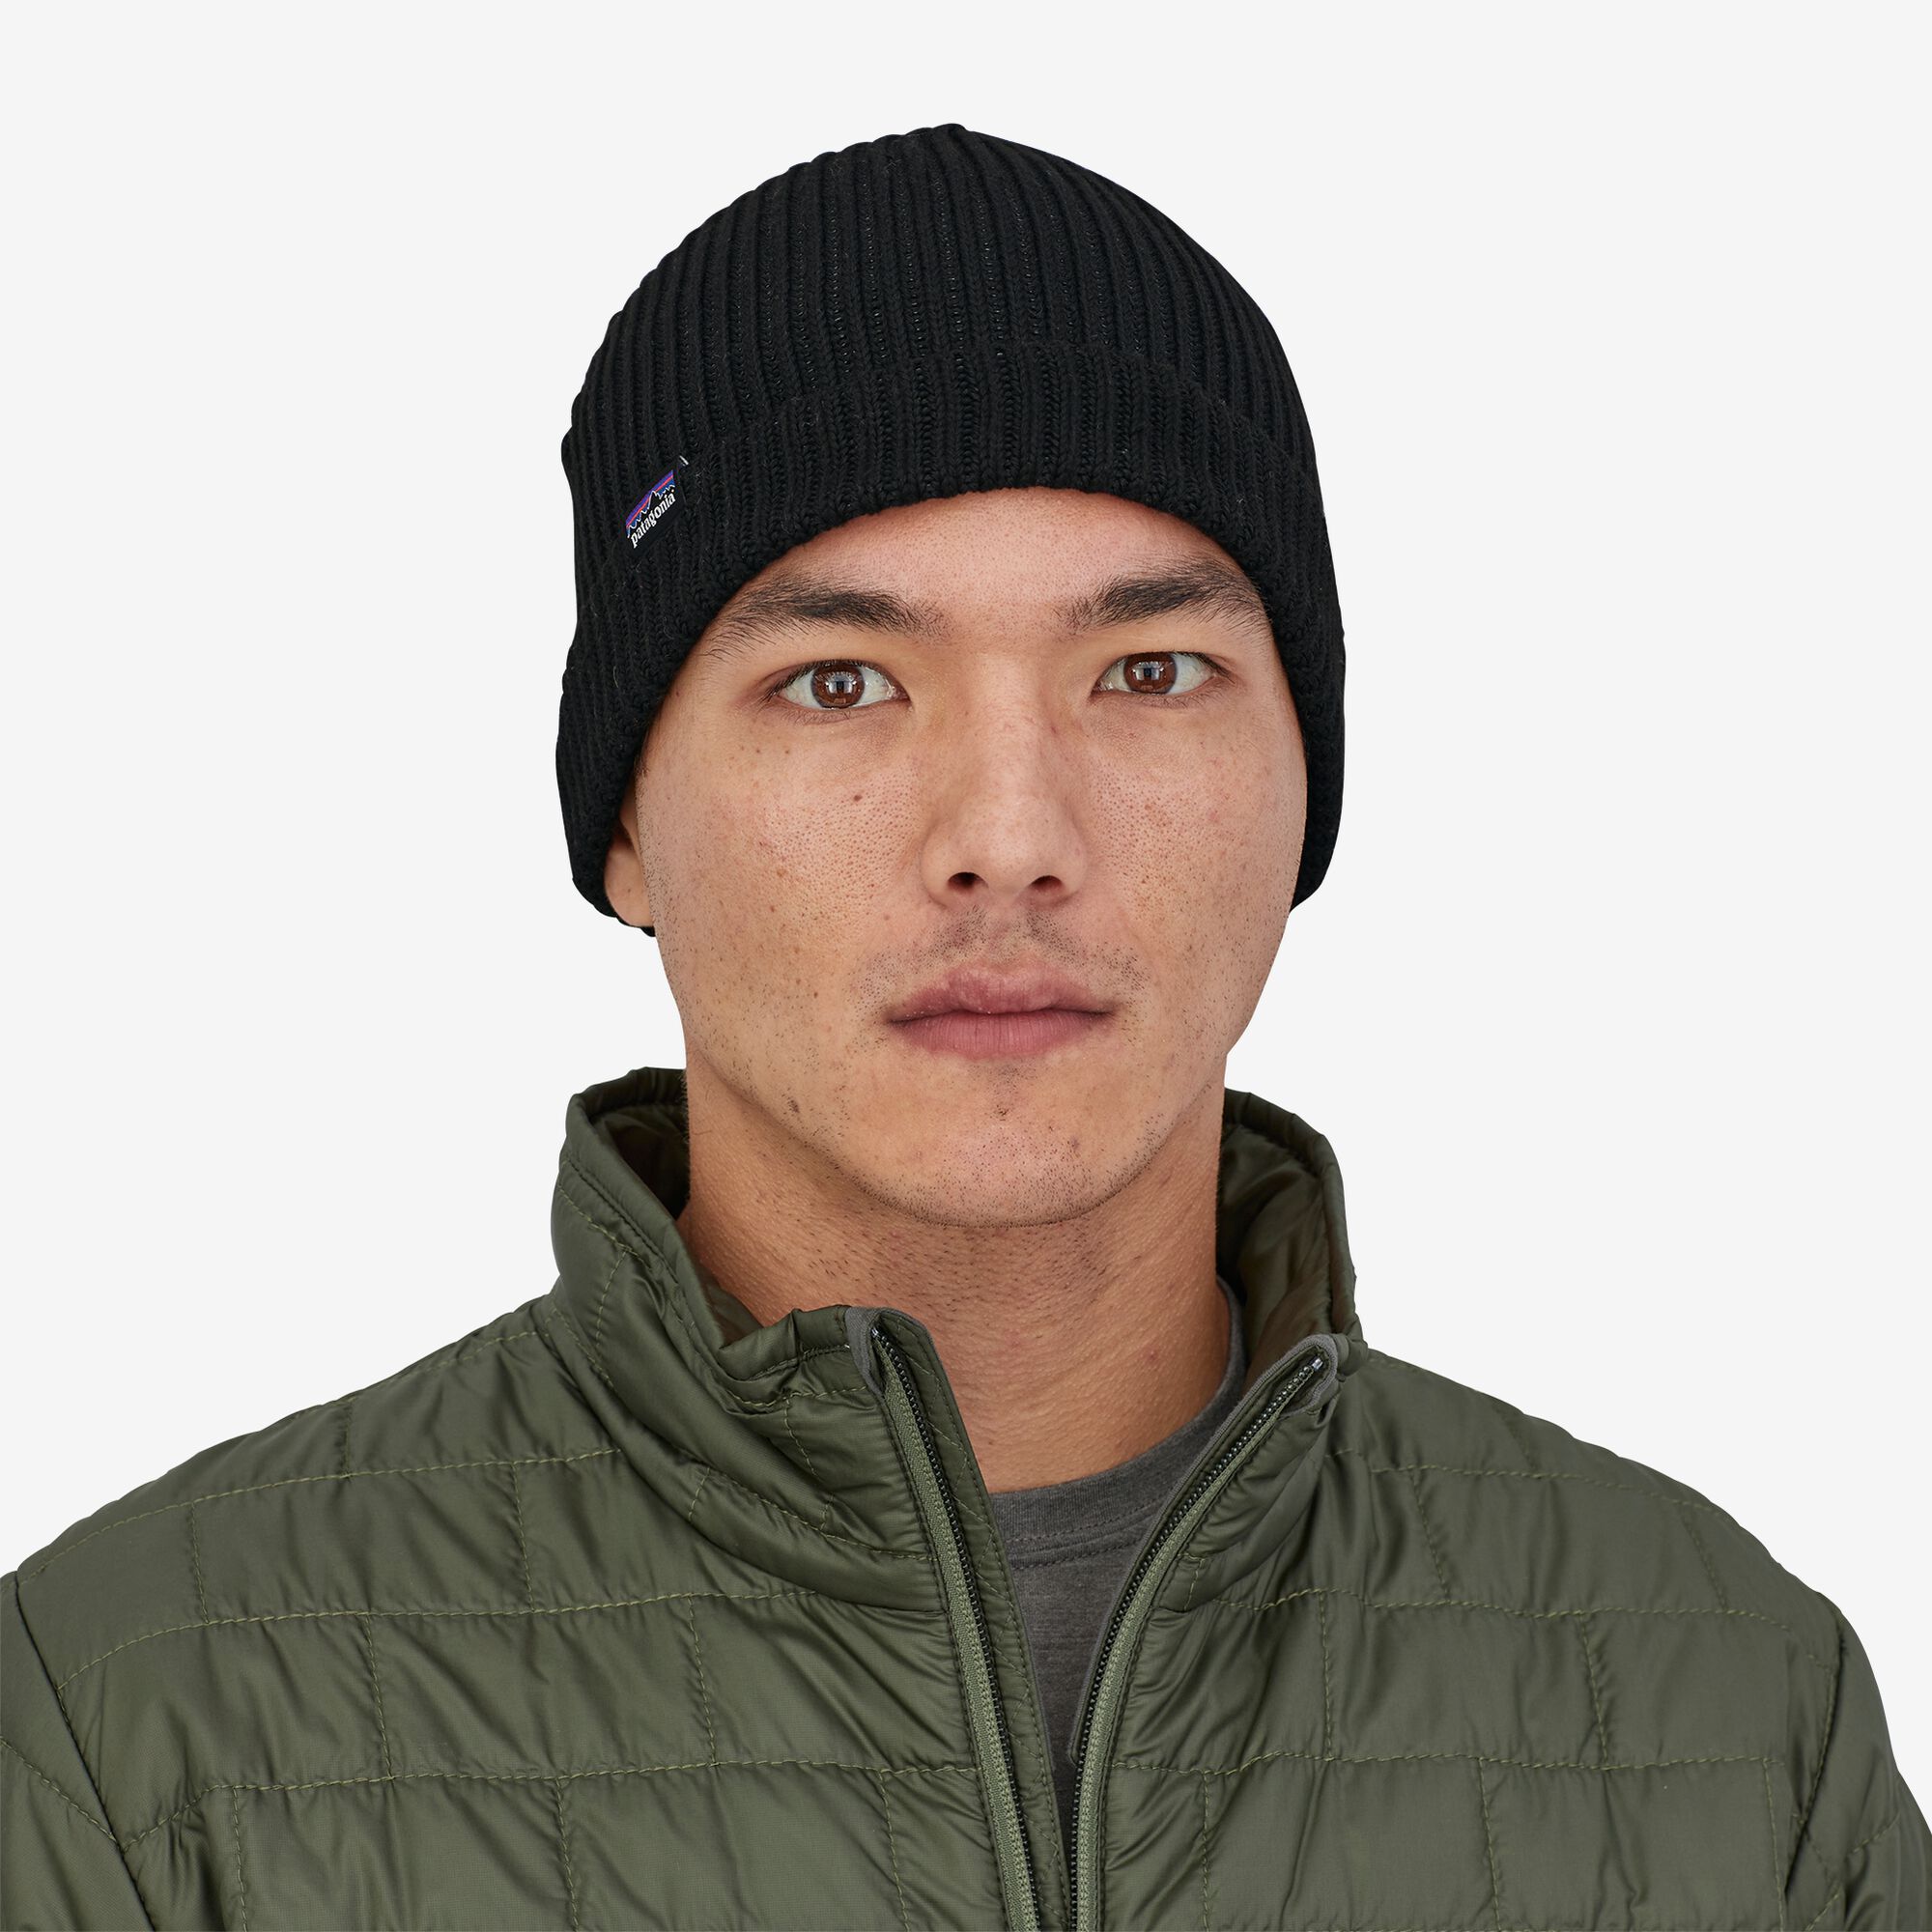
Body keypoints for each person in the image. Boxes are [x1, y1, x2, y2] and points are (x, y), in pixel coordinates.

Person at [4, 123, 1924, 1932]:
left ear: (1304, 796)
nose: (1008, 835)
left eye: (1149, 671)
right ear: (624, 826)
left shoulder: (1729, 1716)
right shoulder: (135, 1740)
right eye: (839, 681)